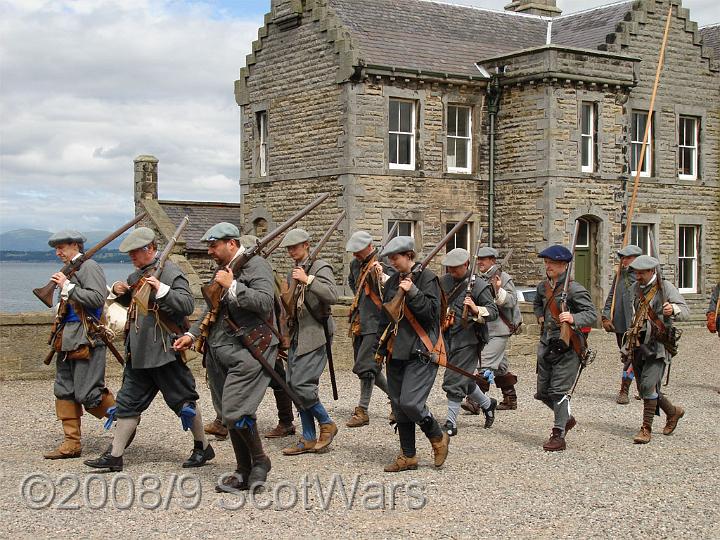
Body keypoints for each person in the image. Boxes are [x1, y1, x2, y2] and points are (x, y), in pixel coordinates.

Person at [84, 227, 212, 472]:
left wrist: (161, 290)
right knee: (127, 404)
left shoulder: (171, 272)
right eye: (130, 253)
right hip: (138, 354)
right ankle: (115, 455)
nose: (131, 257)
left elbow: (185, 305)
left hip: (165, 352)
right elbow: (137, 306)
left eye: (135, 252)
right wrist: (120, 292)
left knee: (184, 402)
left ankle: (202, 446)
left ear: (151, 249)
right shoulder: (136, 277)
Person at [175, 223, 277, 491]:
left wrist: (233, 286)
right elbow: (214, 310)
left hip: (251, 348)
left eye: (213, 245)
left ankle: (260, 460)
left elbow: (265, 303)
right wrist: (192, 334)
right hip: (222, 350)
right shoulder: (224, 270)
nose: (209, 251)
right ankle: (243, 470)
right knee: (231, 415)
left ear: (231, 243)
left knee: (234, 411)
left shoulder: (257, 266)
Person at [376, 236, 448, 472]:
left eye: (395, 257)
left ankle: (437, 437)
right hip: (396, 350)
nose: (392, 262)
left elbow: (431, 316)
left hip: (421, 350)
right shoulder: (391, 282)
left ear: (408, 256)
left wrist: (414, 292)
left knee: (411, 403)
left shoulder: (428, 279)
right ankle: (408, 456)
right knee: (398, 405)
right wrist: (378, 348)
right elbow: (385, 316)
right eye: (390, 258)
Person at [44, 230, 115, 459]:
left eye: (61, 248)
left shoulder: (89, 267)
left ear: (75, 245)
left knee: (89, 394)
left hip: (87, 337)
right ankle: (71, 443)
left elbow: (96, 299)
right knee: (64, 390)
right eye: (57, 249)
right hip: (66, 338)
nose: (58, 253)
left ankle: (125, 420)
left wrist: (67, 286)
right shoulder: (73, 269)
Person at [279, 228, 339, 455]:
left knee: (302, 385)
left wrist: (309, 280)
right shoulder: (293, 271)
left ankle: (326, 423)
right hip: (297, 333)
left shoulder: (320, 267)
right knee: (293, 386)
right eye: (289, 248)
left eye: (295, 247)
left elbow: (332, 295)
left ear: (306, 245)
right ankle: (308, 437)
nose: (291, 251)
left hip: (315, 334)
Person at [534, 245, 597, 452]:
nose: (547, 266)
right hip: (547, 344)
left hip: (569, 345)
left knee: (558, 391)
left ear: (563, 265)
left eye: (551, 262)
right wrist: (540, 315)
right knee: (543, 393)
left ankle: (558, 434)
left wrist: (573, 317)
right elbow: (536, 304)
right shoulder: (544, 287)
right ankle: (566, 418)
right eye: (546, 262)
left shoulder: (575, 289)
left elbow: (591, 315)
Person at [624, 255, 689, 444]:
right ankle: (673, 412)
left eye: (642, 272)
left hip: (658, 344)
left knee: (647, 385)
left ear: (652, 271)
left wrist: (673, 309)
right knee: (645, 387)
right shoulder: (635, 289)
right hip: (638, 344)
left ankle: (646, 429)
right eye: (636, 272)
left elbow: (685, 312)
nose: (638, 275)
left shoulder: (666, 288)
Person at [439, 248, 499, 436]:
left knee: (453, 380)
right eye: (449, 268)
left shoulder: (479, 286)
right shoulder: (444, 282)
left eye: (455, 268)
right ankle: (487, 404)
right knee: (462, 377)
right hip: (448, 337)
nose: (451, 272)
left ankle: (451, 423)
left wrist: (474, 308)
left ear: (466, 265)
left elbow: (493, 311)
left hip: (469, 339)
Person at [462, 247, 522, 413]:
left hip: (499, 329)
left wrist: (498, 289)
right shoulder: (477, 278)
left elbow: (511, 301)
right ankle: (510, 398)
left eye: (484, 259)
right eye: (478, 258)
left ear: (493, 260)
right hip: (484, 326)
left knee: (486, 364)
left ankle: (475, 402)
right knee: (501, 367)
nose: (480, 262)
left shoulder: (503, 277)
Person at [345, 230, 391, 428]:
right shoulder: (355, 264)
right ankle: (397, 399)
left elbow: (393, 289)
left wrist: (382, 277)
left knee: (365, 366)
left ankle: (362, 409)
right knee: (369, 367)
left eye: (358, 251)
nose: (355, 255)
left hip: (377, 323)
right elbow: (352, 282)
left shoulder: (384, 263)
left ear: (369, 247)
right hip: (359, 322)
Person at [601, 245, 642, 404]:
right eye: (622, 258)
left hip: (638, 326)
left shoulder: (644, 277)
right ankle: (643, 388)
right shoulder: (620, 275)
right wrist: (605, 316)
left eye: (627, 258)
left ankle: (624, 389)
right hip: (620, 324)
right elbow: (611, 296)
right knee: (629, 357)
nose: (623, 261)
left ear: (636, 258)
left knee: (631, 357)